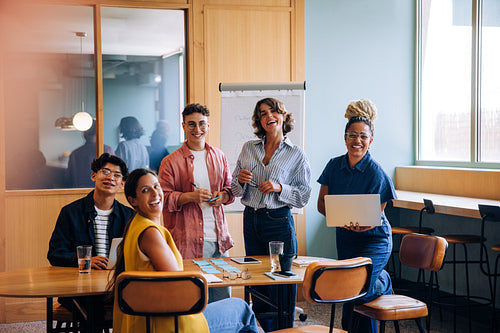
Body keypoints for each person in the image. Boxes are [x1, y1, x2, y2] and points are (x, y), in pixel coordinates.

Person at [109, 168, 259, 333]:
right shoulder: (150, 233)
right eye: (145, 190)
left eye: (157, 186)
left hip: (150, 321)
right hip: (170, 324)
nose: (155, 194)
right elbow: (180, 287)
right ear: (133, 200)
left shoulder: (135, 225)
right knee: (242, 309)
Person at [231, 97, 311, 332]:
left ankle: (283, 329)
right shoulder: (248, 148)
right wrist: (239, 180)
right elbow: (235, 190)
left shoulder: (296, 154)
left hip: (278, 220)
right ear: (259, 121)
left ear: (283, 116)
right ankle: (261, 329)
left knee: (281, 280)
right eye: (263, 114)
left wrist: (279, 188)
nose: (268, 117)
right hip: (251, 218)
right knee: (257, 279)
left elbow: (303, 196)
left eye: (273, 111)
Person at [316, 99, 396, 333]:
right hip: (346, 238)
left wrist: (361, 226)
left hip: (374, 240)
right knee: (350, 293)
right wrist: (341, 219)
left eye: (363, 136)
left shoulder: (377, 173)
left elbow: (375, 216)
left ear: (370, 141)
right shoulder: (333, 166)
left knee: (361, 289)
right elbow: (322, 205)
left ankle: (384, 280)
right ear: (344, 138)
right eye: (352, 135)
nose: (357, 141)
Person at [158, 103, 234, 303]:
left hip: (220, 239)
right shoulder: (170, 161)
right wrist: (191, 196)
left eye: (202, 124)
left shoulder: (220, 156)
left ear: (208, 126)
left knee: (222, 298)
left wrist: (223, 196)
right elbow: (162, 199)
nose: (197, 129)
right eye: (191, 124)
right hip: (187, 240)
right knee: (192, 299)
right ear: (183, 126)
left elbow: (229, 189)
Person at [47, 153, 135, 311]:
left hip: (116, 284)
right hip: (81, 287)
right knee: (93, 308)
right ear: (94, 176)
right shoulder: (70, 212)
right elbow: (55, 254)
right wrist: (86, 260)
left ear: (122, 183)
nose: (110, 178)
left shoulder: (129, 216)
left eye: (117, 175)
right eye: (105, 172)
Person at [66, 123, 115, 188]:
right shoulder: (107, 150)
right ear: (99, 132)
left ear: (84, 134)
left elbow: (69, 178)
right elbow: (114, 174)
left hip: (78, 192)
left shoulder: (75, 153)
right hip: (102, 191)